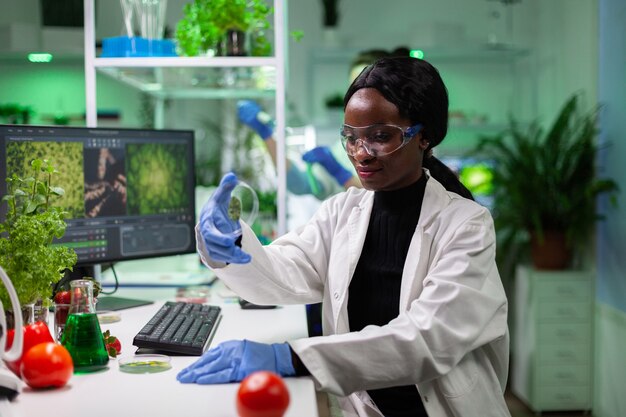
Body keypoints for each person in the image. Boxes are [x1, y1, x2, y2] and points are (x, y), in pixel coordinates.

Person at [179, 56, 510, 417]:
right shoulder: (342, 212)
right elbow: (284, 274)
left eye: (380, 137)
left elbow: (426, 340)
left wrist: (287, 357)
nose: (360, 154)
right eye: (350, 138)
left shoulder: (466, 225)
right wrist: (232, 245)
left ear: (425, 135)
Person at [237, 100, 361, 200]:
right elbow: (300, 184)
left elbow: (376, 197)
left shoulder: (378, 149)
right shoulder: (341, 148)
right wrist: (266, 134)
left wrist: (342, 174)